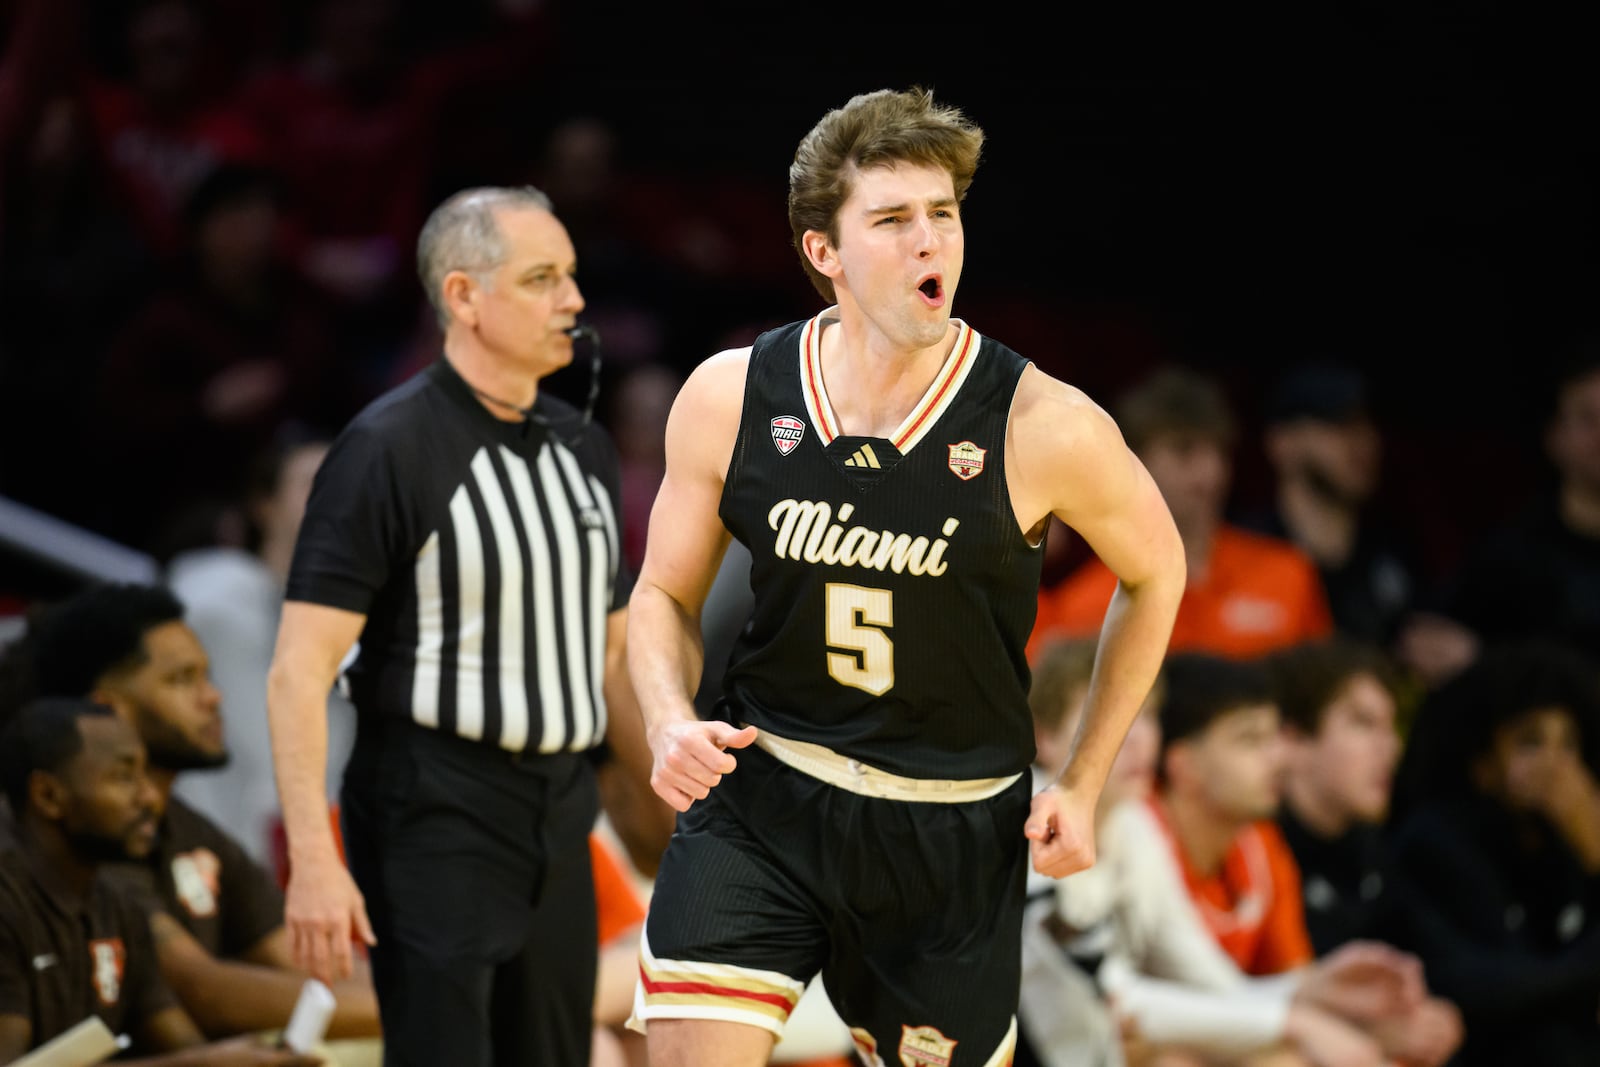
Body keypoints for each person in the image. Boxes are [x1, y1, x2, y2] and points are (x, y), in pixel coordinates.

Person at [625, 87, 1187, 1067]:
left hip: (949, 826)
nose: (930, 241)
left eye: (944, 213)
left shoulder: (1044, 424)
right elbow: (662, 594)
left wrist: (1084, 778)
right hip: (767, 796)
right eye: (892, 220)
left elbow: (1158, 571)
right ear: (825, 253)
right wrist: (669, 716)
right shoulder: (731, 395)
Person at [266, 184, 669, 1067]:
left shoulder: (584, 446)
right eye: (541, 278)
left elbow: (609, 653)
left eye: (570, 274)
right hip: (433, 807)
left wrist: (675, 783)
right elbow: (299, 670)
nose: (573, 300)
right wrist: (317, 863)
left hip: (559, 809)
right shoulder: (385, 448)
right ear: (464, 296)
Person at [1019, 639, 1450, 1067]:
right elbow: (1110, 993)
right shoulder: (1031, 821)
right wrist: (1295, 1022)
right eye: (1102, 714)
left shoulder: (1130, 823)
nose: (1135, 737)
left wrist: (1314, 991)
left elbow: (1208, 980)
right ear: (1045, 737)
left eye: (1143, 714)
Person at [14, 580, 381, 1045]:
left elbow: (303, 961)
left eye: (206, 675)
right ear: (107, 710)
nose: (213, 697)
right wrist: (410, 1010)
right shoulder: (78, 834)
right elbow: (204, 992)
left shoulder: (190, 827)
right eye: (182, 679)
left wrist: (425, 998)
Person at [1147, 652, 1461, 1066]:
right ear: (1184, 766)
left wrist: (1330, 992)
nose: (1278, 757)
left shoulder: (1261, 843)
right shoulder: (1139, 837)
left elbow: (1258, 985)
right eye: (1250, 740)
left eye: (1273, 737)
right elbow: (1134, 1001)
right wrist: (1310, 1020)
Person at [0, 696, 320, 1065]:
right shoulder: (9, 903)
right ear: (48, 796)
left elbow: (183, 1045)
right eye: (124, 777)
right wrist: (207, 1063)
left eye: (145, 774)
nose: (150, 796)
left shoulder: (118, 905)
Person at [1385, 639, 1600, 1067]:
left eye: (1568, 744)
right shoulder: (1438, 840)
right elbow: (1507, 993)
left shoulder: (1570, 838)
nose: (1557, 765)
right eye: (1531, 743)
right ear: (1482, 765)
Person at [1030, 365, 1333, 664]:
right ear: (1132, 461)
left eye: (1219, 452)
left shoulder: (1289, 576)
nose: (1210, 474)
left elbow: (1325, 687)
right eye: (1183, 451)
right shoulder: (1084, 606)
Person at [166, 425, 352, 868]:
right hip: (209, 850)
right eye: (314, 482)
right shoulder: (209, 593)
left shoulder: (369, 624)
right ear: (265, 504)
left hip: (311, 865)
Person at [1269, 637, 1407, 954]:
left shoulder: (1374, 852)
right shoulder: (1255, 851)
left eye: (1391, 727)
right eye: (1365, 724)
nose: (1391, 748)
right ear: (1293, 740)